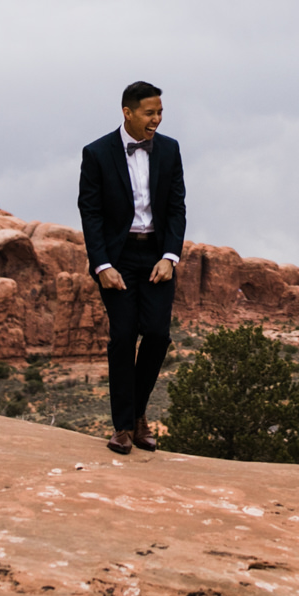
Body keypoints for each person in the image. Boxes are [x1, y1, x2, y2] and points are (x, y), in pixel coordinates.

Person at [78, 81, 186, 455]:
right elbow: (90, 213)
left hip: (157, 256)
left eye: (160, 112)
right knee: (123, 336)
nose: (156, 119)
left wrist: (171, 257)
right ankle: (124, 426)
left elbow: (176, 207)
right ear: (128, 113)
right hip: (118, 259)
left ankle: (138, 414)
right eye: (149, 113)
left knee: (157, 335)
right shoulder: (96, 153)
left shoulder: (170, 150)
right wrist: (102, 264)